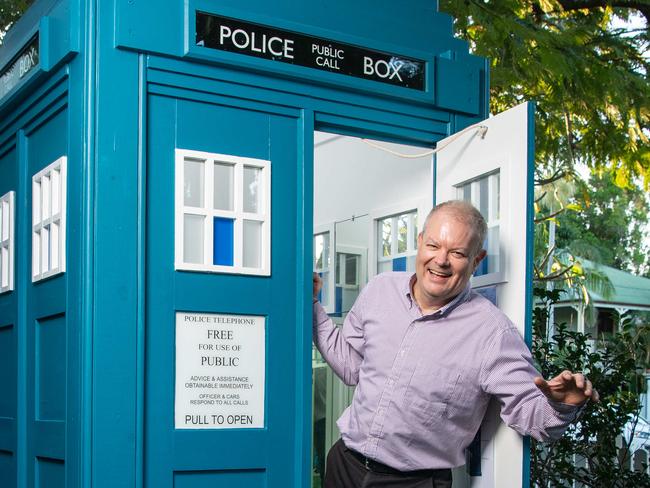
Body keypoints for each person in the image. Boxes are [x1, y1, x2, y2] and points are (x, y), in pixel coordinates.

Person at [312, 200, 598, 488]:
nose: (441, 260)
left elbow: (530, 415)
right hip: (344, 466)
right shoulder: (380, 289)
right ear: (420, 242)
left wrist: (562, 405)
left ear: (476, 260)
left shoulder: (493, 334)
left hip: (415, 483)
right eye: (433, 246)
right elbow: (350, 366)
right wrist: (311, 303)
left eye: (458, 252)